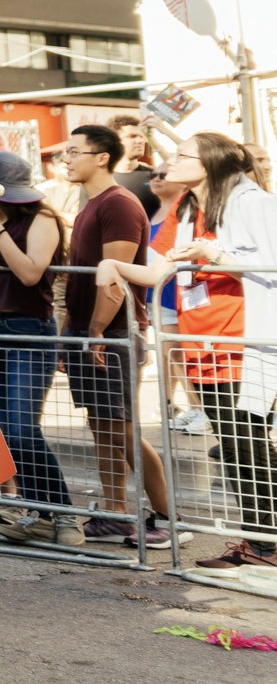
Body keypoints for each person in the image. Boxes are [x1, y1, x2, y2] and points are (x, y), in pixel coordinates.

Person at [99, 134, 273, 556]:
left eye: (181, 156)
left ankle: (264, 545)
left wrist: (212, 255)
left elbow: (268, 261)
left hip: (244, 344)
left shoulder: (252, 202)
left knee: (244, 445)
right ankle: (260, 543)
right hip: (201, 344)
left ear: (209, 162)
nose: (170, 162)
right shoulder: (187, 205)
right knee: (235, 446)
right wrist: (112, 265)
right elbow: (157, 270)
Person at [51, 121, 170, 546]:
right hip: (90, 331)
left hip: (114, 332)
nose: (65, 158)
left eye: (73, 151)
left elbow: (113, 280)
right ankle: (116, 512)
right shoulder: (89, 204)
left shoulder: (118, 204)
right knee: (102, 426)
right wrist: (75, 334)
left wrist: (97, 331)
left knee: (121, 429)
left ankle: (168, 518)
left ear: (101, 157)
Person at [0, 152, 73, 547]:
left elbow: (29, 273)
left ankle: (63, 513)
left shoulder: (42, 219)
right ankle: (41, 514)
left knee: (22, 429)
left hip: (27, 329)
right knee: (6, 430)